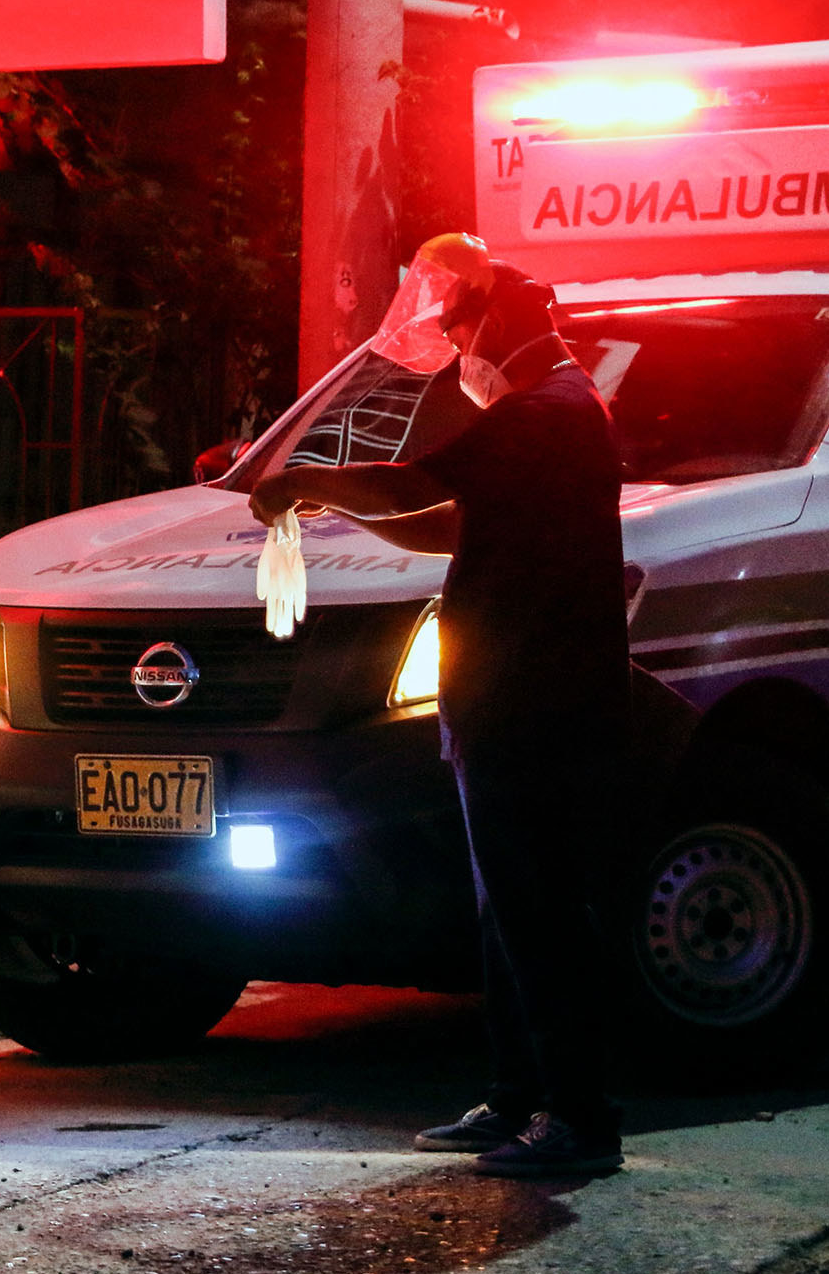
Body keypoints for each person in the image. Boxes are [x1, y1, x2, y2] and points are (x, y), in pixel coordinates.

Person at [248, 234, 630, 1178]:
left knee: (538, 910)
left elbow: (419, 482)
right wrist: (331, 504)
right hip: (506, 698)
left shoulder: (548, 411)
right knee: (509, 911)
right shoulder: (551, 416)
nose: (459, 350)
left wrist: (307, 480)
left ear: (498, 321)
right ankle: (516, 1100)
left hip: (532, 701)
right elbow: (448, 518)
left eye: (463, 329)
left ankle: (578, 1117)